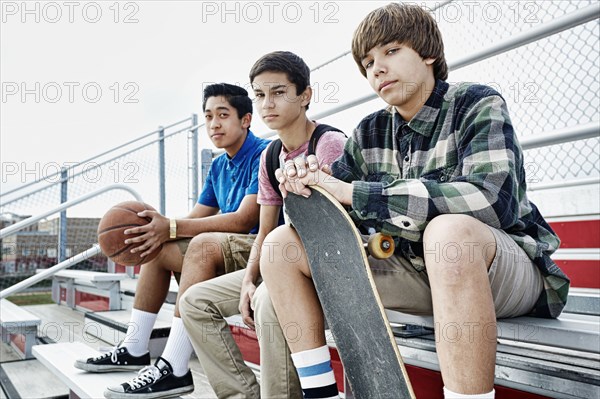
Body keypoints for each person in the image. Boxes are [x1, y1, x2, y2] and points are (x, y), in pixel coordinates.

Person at [261, 4, 570, 399]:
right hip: (418, 268)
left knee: (449, 232)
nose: (377, 68)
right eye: (368, 62)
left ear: (428, 54)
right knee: (281, 246)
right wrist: (306, 185)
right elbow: (327, 217)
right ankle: (321, 393)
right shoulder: (370, 130)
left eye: (390, 52)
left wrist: (357, 193)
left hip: (504, 271)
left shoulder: (475, 104)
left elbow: (492, 201)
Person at [75, 83, 270, 399]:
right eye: (208, 117)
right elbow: (196, 217)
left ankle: (175, 368)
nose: (214, 124)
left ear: (246, 119)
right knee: (160, 247)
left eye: (223, 115)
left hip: (259, 251)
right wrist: (160, 228)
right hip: (225, 252)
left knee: (199, 244)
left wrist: (173, 226)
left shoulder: (262, 153)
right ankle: (135, 347)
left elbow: (245, 219)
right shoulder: (219, 165)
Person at [179, 51, 347, 399]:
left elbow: (345, 227)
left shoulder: (329, 144)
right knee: (195, 302)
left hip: (326, 266)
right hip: (278, 261)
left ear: (305, 96)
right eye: (259, 94)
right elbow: (264, 231)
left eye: (279, 92)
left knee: (269, 302)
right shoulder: (270, 156)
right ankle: (242, 394)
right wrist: (249, 281)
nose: (267, 103)